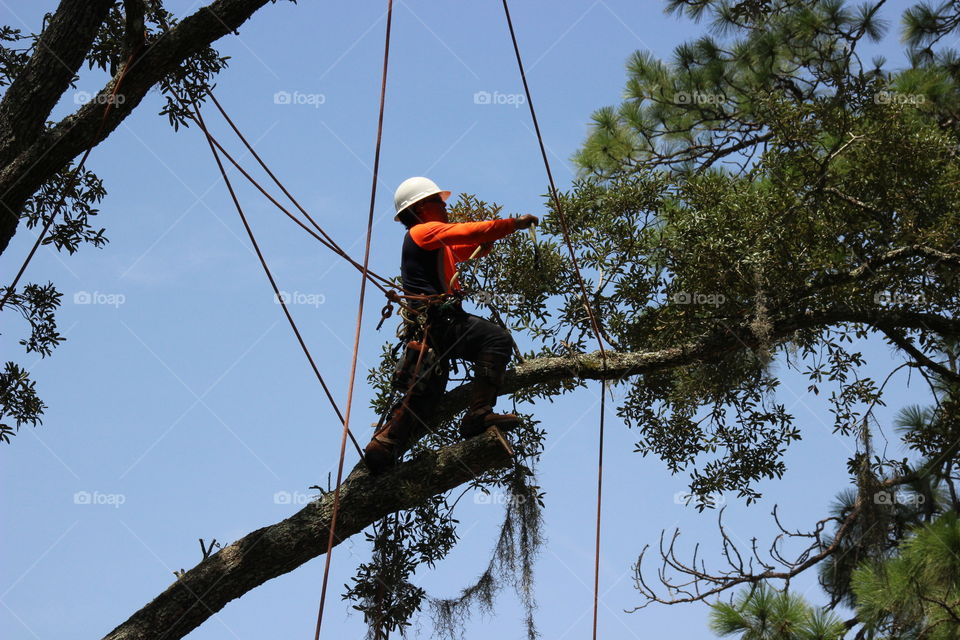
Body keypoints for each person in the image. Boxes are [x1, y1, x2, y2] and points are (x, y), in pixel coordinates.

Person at [363, 176, 538, 473]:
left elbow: (469, 246)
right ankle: (479, 413)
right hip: (439, 321)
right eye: (438, 202)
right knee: (496, 340)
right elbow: (467, 232)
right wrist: (513, 223)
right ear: (420, 208)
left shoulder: (435, 242)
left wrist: (487, 240)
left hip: (435, 327)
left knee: (426, 397)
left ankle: (384, 445)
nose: (445, 207)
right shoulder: (423, 231)